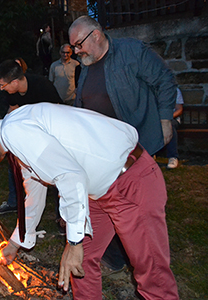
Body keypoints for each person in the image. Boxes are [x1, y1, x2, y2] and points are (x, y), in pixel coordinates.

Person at [0, 105, 179, 300]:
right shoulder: (17, 137)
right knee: (80, 263)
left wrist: (74, 243)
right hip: (96, 193)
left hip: (130, 183)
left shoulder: (18, 132)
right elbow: (33, 195)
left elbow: (69, 177)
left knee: (151, 270)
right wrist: (16, 243)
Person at [68, 15, 177, 289]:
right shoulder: (84, 67)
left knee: (141, 211)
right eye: (73, 48)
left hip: (136, 148)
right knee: (106, 214)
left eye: (79, 44)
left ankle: (148, 261)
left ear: (96, 34)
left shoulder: (131, 52)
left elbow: (164, 80)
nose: (76, 52)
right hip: (103, 156)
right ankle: (118, 257)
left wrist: (165, 118)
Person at [0, 59, 62, 217]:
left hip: (50, 135)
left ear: (15, 82)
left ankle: (62, 217)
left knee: (58, 175)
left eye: (4, 85)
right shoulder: (12, 93)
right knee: (14, 165)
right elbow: (12, 111)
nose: (2, 89)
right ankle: (14, 202)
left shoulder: (43, 86)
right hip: (30, 138)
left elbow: (58, 113)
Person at [166, 88, 184, 169]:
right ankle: (151, 153)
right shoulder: (153, 89)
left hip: (172, 118)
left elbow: (179, 109)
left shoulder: (175, 90)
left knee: (170, 125)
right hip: (156, 119)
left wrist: (167, 117)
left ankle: (173, 157)